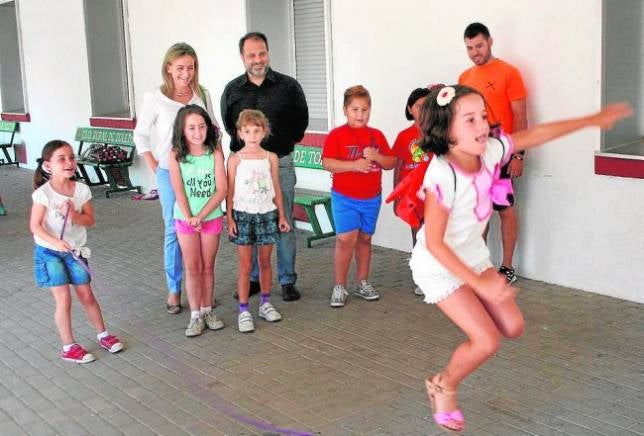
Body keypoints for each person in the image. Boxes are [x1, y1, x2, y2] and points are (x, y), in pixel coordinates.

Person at [410, 85, 631, 432]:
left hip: (472, 257)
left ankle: (474, 322)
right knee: (486, 341)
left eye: (483, 116)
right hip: (439, 265)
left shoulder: (492, 150)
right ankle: (443, 385)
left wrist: (591, 120)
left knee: (513, 326)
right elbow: (436, 244)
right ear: (447, 132)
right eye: (469, 120)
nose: (482, 125)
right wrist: (479, 282)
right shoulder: (442, 174)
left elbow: (538, 134)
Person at [221, 32, 308, 302]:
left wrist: (277, 147)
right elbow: (228, 126)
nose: (257, 60)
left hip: (280, 162)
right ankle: (255, 278)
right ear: (243, 57)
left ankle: (287, 280)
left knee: (283, 221)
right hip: (246, 167)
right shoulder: (233, 90)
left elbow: (300, 123)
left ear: (268, 53)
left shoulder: (289, 86)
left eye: (262, 53)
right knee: (251, 218)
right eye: (251, 55)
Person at [134, 42, 219, 314]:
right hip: (170, 172)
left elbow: (214, 129)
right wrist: (154, 164)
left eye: (191, 67)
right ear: (168, 68)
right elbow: (141, 134)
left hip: (200, 170)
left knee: (204, 223)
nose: (186, 73)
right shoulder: (154, 97)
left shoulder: (201, 94)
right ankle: (175, 288)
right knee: (175, 228)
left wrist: (217, 162)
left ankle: (203, 293)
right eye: (180, 67)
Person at [30, 140, 125, 363]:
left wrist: (73, 215)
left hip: (75, 251)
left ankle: (103, 335)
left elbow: (90, 220)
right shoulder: (43, 194)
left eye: (71, 157)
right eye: (61, 158)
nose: (69, 162)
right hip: (50, 253)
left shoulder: (81, 190)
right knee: (64, 300)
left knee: (87, 295)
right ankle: (68, 346)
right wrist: (55, 241)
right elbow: (35, 227)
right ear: (48, 165)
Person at [458, 22, 527, 284]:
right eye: (469, 48)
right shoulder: (464, 78)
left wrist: (519, 155)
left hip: (502, 154)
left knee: (505, 209)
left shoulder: (509, 73)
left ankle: (507, 267)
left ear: (490, 42)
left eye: (479, 46)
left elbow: (521, 117)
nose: (475, 52)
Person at [322, 85, 396, 308]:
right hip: (344, 197)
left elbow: (391, 162)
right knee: (345, 239)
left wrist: (377, 156)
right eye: (355, 109)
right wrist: (354, 165)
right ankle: (339, 285)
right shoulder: (337, 134)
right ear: (345, 110)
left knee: (365, 239)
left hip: (371, 198)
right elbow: (327, 163)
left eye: (364, 109)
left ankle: (362, 282)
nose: (360, 114)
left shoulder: (376, 136)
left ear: (370, 110)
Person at [226, 109, 290, 333]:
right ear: (240, 133)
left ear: (264, 132)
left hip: (267, 213)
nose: (252, 135)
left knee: (265, 262)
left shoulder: (270, 157)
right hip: (243, 215)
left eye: (256, 130)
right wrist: (230, 218)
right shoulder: (235, 159)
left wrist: (281, 215)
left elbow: (276, 188)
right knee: (245, 265)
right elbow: (230, 190)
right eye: (247, 131)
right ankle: (244, 310)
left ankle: (265, 302)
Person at [169, 105, 227, 337]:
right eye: (191, 127)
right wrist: (189, 216)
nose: (197, 132)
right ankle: (195, 316)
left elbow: (221, 190)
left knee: (207, 267)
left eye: (201, 126)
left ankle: (207, 310)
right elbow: (178, 189)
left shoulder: (215, 153)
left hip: (210, 218)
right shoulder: (176, 155)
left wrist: (201, 216)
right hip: (185, 220)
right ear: (182, 130)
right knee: (192, 268)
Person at [392, 87, 433, 296]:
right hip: (411, 197)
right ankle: (421, 278)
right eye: (418, 106)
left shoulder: (439, 133)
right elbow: (398, 166)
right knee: (418, 236)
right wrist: (395, 196)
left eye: (427, 106)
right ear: (410, 109)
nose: (423, 110)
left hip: (434, 195)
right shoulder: (403, 136)